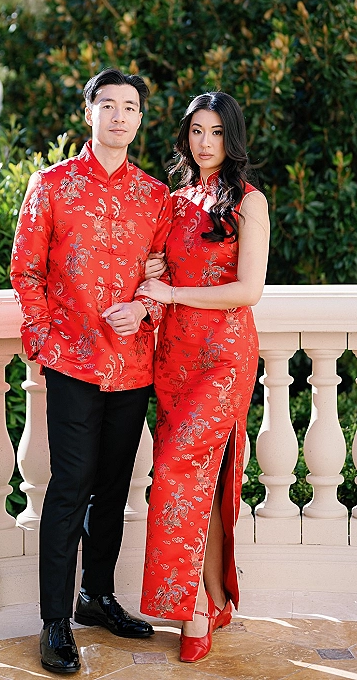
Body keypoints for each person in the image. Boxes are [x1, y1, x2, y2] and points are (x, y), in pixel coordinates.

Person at [10, 68, 172, 675]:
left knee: (113, 486)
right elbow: (25, 271)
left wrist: (145, 307)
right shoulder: (51, 185)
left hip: (133, 364)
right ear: (89, 112)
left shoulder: (154, 197)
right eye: (110, 105)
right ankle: (54, 620)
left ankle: (96, 598)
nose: (121, 116)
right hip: (73, 364)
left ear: (139, 118)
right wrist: (50, 339)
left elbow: (160, 273)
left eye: (131, 107)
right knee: (68, 486)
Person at [136, 91, 269, 663]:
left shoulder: (249, 202)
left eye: (216, 132)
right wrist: (153, 270)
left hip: (224, 357)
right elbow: (163, 262)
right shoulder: (175, 199)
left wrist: (172, 291)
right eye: (196, 130)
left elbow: (248, 291)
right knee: (204, 483)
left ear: (231, 138)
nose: (205, 142)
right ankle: (214, 596)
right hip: (175, 357)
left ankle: (189, 607)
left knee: (174, 468)